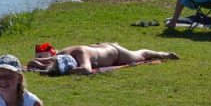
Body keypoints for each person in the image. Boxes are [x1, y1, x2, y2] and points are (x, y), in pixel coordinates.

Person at [26, 42, 179, 75]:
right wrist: (43, 67)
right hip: (99, 49)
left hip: (114, 52)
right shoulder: (60, 55)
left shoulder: (79, 53)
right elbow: (33, 62)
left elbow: (86, 70)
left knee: (140, 55)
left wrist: (65, 71)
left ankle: (162, 54)